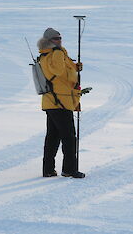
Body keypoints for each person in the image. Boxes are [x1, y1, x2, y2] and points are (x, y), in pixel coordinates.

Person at [37, 28, 85, 178]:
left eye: (60, 38)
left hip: (54, 101)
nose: (59, 40)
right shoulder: (54, 54)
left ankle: (48, 169)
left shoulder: (49, 55)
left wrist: (74, 67)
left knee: (52, 137)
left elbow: (62, 73)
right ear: (49, 41)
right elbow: (57, 71)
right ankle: (69, 170)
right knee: (69, 137)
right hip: (60, 102)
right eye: (56, 39)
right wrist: (59, 52)